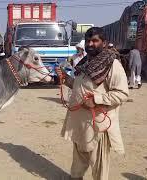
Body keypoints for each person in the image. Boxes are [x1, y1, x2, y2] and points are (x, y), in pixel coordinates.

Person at [56, 27, 129, 180]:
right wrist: (66, 79)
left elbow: (122, 93)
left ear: (104, 43)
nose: (91, 44)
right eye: (88, 40)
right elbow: (80, 85)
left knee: (99, 168)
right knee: (78, 164)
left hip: (97, 127)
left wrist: (96, 100)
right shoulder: (85, 63)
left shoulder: (112, 64)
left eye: (95, 40)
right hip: (80, 124)